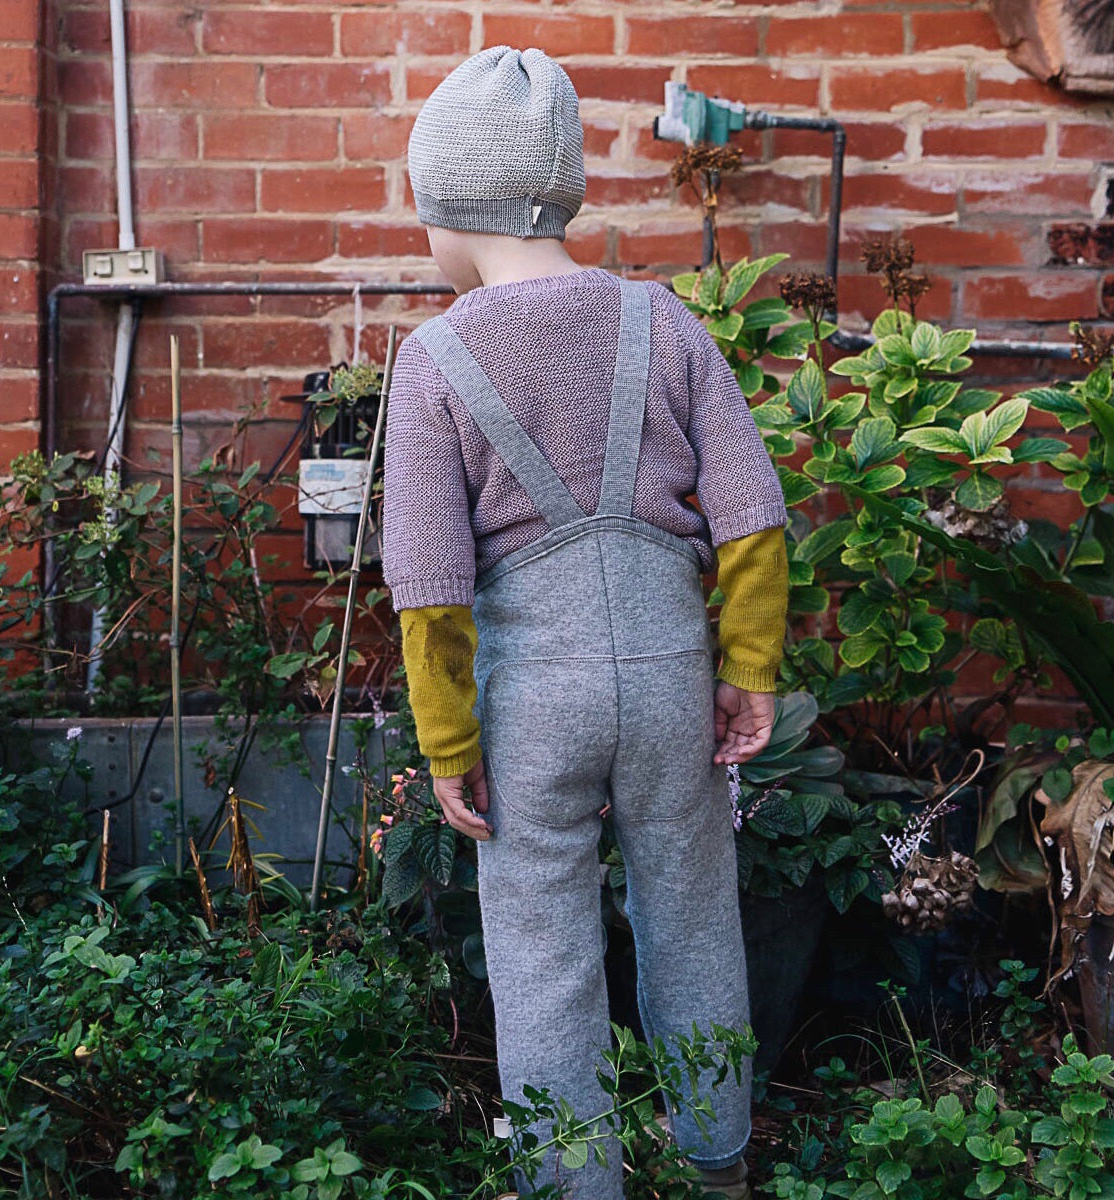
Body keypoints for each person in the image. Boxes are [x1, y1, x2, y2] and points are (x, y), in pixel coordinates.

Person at [381, 45, 790, 1200]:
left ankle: (573, 1182)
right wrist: (747, 668)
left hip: (533, 709)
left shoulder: (436, 360)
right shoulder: (665, 323)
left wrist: (448, 742)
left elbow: (427, 583)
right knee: (696, 919)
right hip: (669, 679)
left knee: (541, 949)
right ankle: (719, 1162)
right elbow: (755, 519)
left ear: (451, 209)